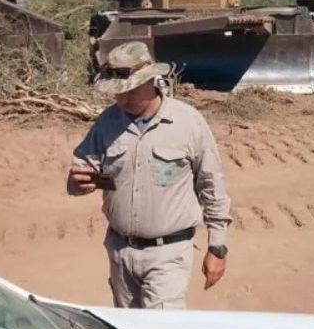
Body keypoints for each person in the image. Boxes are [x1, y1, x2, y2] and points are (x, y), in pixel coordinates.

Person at [67, 42, 231, 309]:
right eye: (116, 93)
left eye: (130, 91)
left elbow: (212, 186)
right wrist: (76, 183)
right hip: (120, 253)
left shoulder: (188, 122)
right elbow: (81, 168)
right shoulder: (108, 122)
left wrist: (217, 247)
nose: (122, 99)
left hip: (168, 255)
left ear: (152, 80)